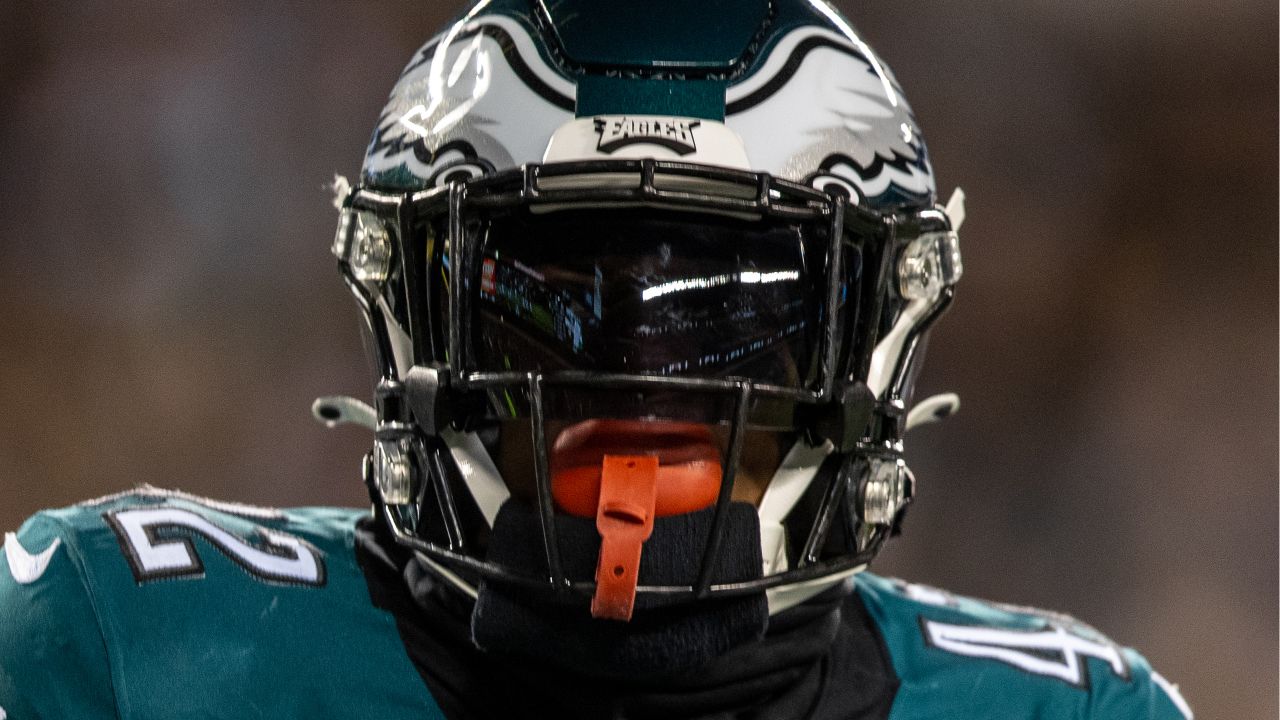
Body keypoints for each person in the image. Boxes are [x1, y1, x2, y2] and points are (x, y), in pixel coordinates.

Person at [0, 1, 1193, 718]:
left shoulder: (1067, 709)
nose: (642, 377)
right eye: (553, 295)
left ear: (870, 340)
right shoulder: (129, 647)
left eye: (727, 309)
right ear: (413, 310)